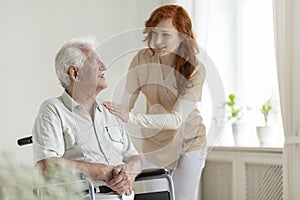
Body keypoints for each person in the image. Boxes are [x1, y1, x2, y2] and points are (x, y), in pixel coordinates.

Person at [104, 4, 206, 200]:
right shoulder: (142, 60)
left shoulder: (195, 69)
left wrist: (131, 117)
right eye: (154, 34)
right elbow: (123, 106)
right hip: (155, 144)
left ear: (182, 35)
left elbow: (176, 119)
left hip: (190, 142)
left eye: (166, 35)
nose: (157, 41)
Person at [32, 39, 142, 200]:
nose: (104, 67)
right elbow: (46, 166)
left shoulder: (109, 112)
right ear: (75, 74)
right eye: (95, 62)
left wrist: (130, 171)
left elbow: (133, 156)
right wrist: (101, 171)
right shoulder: (53, 109)